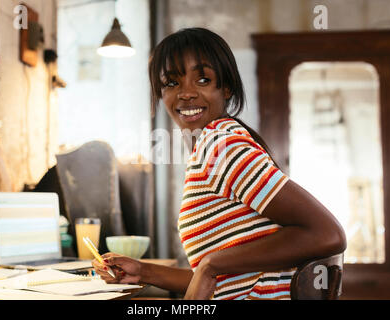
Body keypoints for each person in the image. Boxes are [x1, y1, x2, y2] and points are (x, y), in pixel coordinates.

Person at [93, 27, 346, 300]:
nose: (186, 93)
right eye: (171, 83)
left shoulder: (221, 147)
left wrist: (211, 264)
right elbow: (228, 280)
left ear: (226, 88)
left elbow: (328, 234)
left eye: (202, 80)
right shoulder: (213, 146)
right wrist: (143, 271)